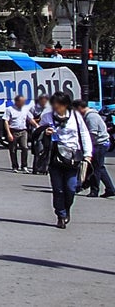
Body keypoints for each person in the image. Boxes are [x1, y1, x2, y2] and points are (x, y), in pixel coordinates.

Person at [43, 91, 93, 228]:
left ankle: (67, 209)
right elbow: (37, 133)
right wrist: (45, 132)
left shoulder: (75, 116)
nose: (55, 108)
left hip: (72, 157)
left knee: (71, 188)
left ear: (65, 105)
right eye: (53, 105)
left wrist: (88, 153)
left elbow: (84, 133)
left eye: (58, 105)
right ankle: (61, 215)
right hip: (55, 158)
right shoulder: (47, 117)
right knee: (58, 189)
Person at [73, 98, 113, 198]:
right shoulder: (89, 116)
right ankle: (110, 189)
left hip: (98, 145)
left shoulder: (91, 117)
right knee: (100, 167)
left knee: (95, 169)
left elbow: (92, 134)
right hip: (98, 144)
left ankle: (94, 190)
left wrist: (86, 146)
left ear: (79, 108)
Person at [4, 93, 32, 173]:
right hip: (13, 130)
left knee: (25, 148)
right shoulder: (9, 109)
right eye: (21, 102)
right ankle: (15, 166)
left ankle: (24, 166)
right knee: (13, 149)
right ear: (16, 102)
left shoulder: (25, 109)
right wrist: (8, 133)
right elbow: (6, 121)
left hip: (23, 131)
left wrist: (37, 125)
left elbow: (30, 119)